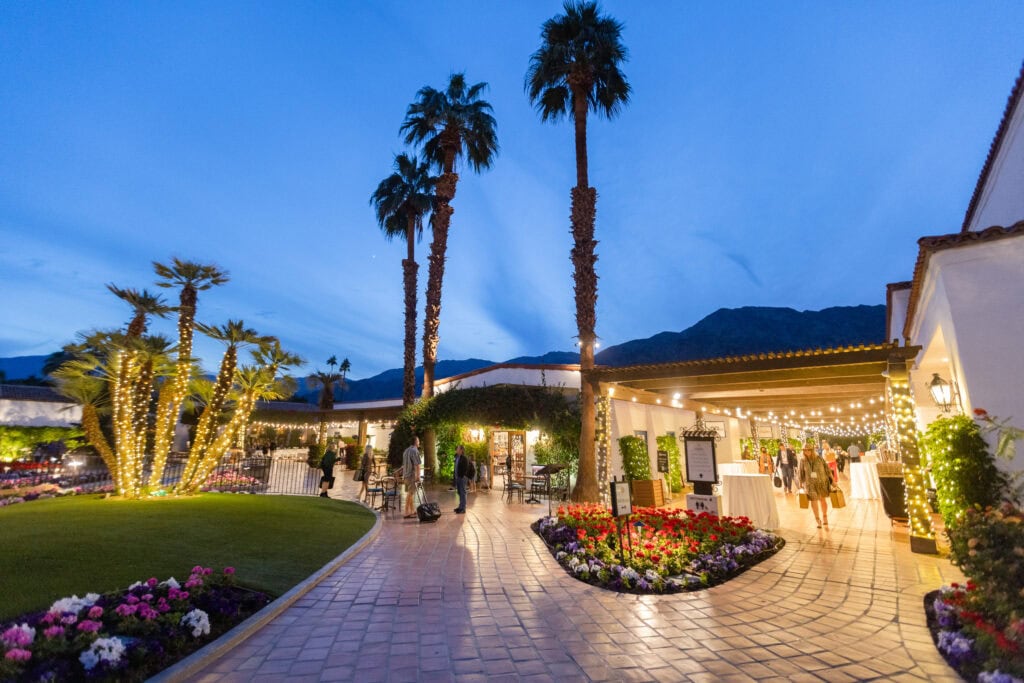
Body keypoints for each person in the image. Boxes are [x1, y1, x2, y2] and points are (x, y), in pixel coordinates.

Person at [798, 444, 832, 528]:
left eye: (808, 450)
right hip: (810, 484)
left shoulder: (819, 458)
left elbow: (827, 469)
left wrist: (833, 481)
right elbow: (801, 472)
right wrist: (800, 483)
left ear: (812, 450)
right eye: (805, 450)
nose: (806, 452)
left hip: (821, 482)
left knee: (822, 500)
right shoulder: (802, 460)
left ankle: (824, 516)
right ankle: (817, 520)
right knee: (813, 501)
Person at [402, 436, 422, 518]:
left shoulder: (406, 451)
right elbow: (417, 465)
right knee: (410, 494)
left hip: (405, 476)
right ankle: (406, 512)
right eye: (418, 441)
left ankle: (412, 510)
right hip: (411, 476)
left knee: (410, 493)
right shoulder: (414, 451)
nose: (419, 442)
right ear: (415, 442)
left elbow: (404, 464)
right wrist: (418, 476)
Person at [453, 445, 468, 514]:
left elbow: (465, 468)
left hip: (462, 478)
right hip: (457, 477)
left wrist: (461, 476)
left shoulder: (464, 458)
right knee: (459, 492)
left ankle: (463, 508)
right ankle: (460, 507)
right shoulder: (456, 457)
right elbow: (455, 467)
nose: (456, 450)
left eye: (458, 449)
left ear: (461, 450)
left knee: (462, 492)